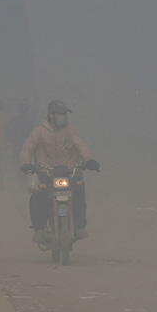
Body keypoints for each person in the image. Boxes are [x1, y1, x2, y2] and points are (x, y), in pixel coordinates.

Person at [19, 100, 100, 245]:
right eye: (60, 114)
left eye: (64, 114)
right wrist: (25, 163)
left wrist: (90, 160)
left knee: (79, 192)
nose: (63, 117)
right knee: (37, 197)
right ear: (51, 115)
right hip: (46, 171)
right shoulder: (39, 131)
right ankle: (39, 229)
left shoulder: (71, 130)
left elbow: (81, 145)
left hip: (70, 171)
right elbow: (27, 147)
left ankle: (79, 227)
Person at [6, 103, 34, 188]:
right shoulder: (29, 121)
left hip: (16, 145)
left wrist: (11, 141)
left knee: (17, 164)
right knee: (26, 164)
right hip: (26, 146)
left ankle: (20, 182)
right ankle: (23, 182)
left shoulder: (13, 120)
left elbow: (7, 132)